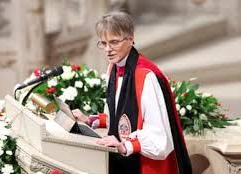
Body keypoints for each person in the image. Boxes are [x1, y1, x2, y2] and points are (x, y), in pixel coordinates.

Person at [72, 11, 192, 174]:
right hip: (120, 161)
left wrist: (125, 146)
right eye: (103, 43)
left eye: (114, 42)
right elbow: (119, 118)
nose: (108, 49)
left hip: (145, 166)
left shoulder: (145, 77)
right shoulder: (113, 68)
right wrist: (88, 120)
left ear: (130, 39)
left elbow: (159, 139)